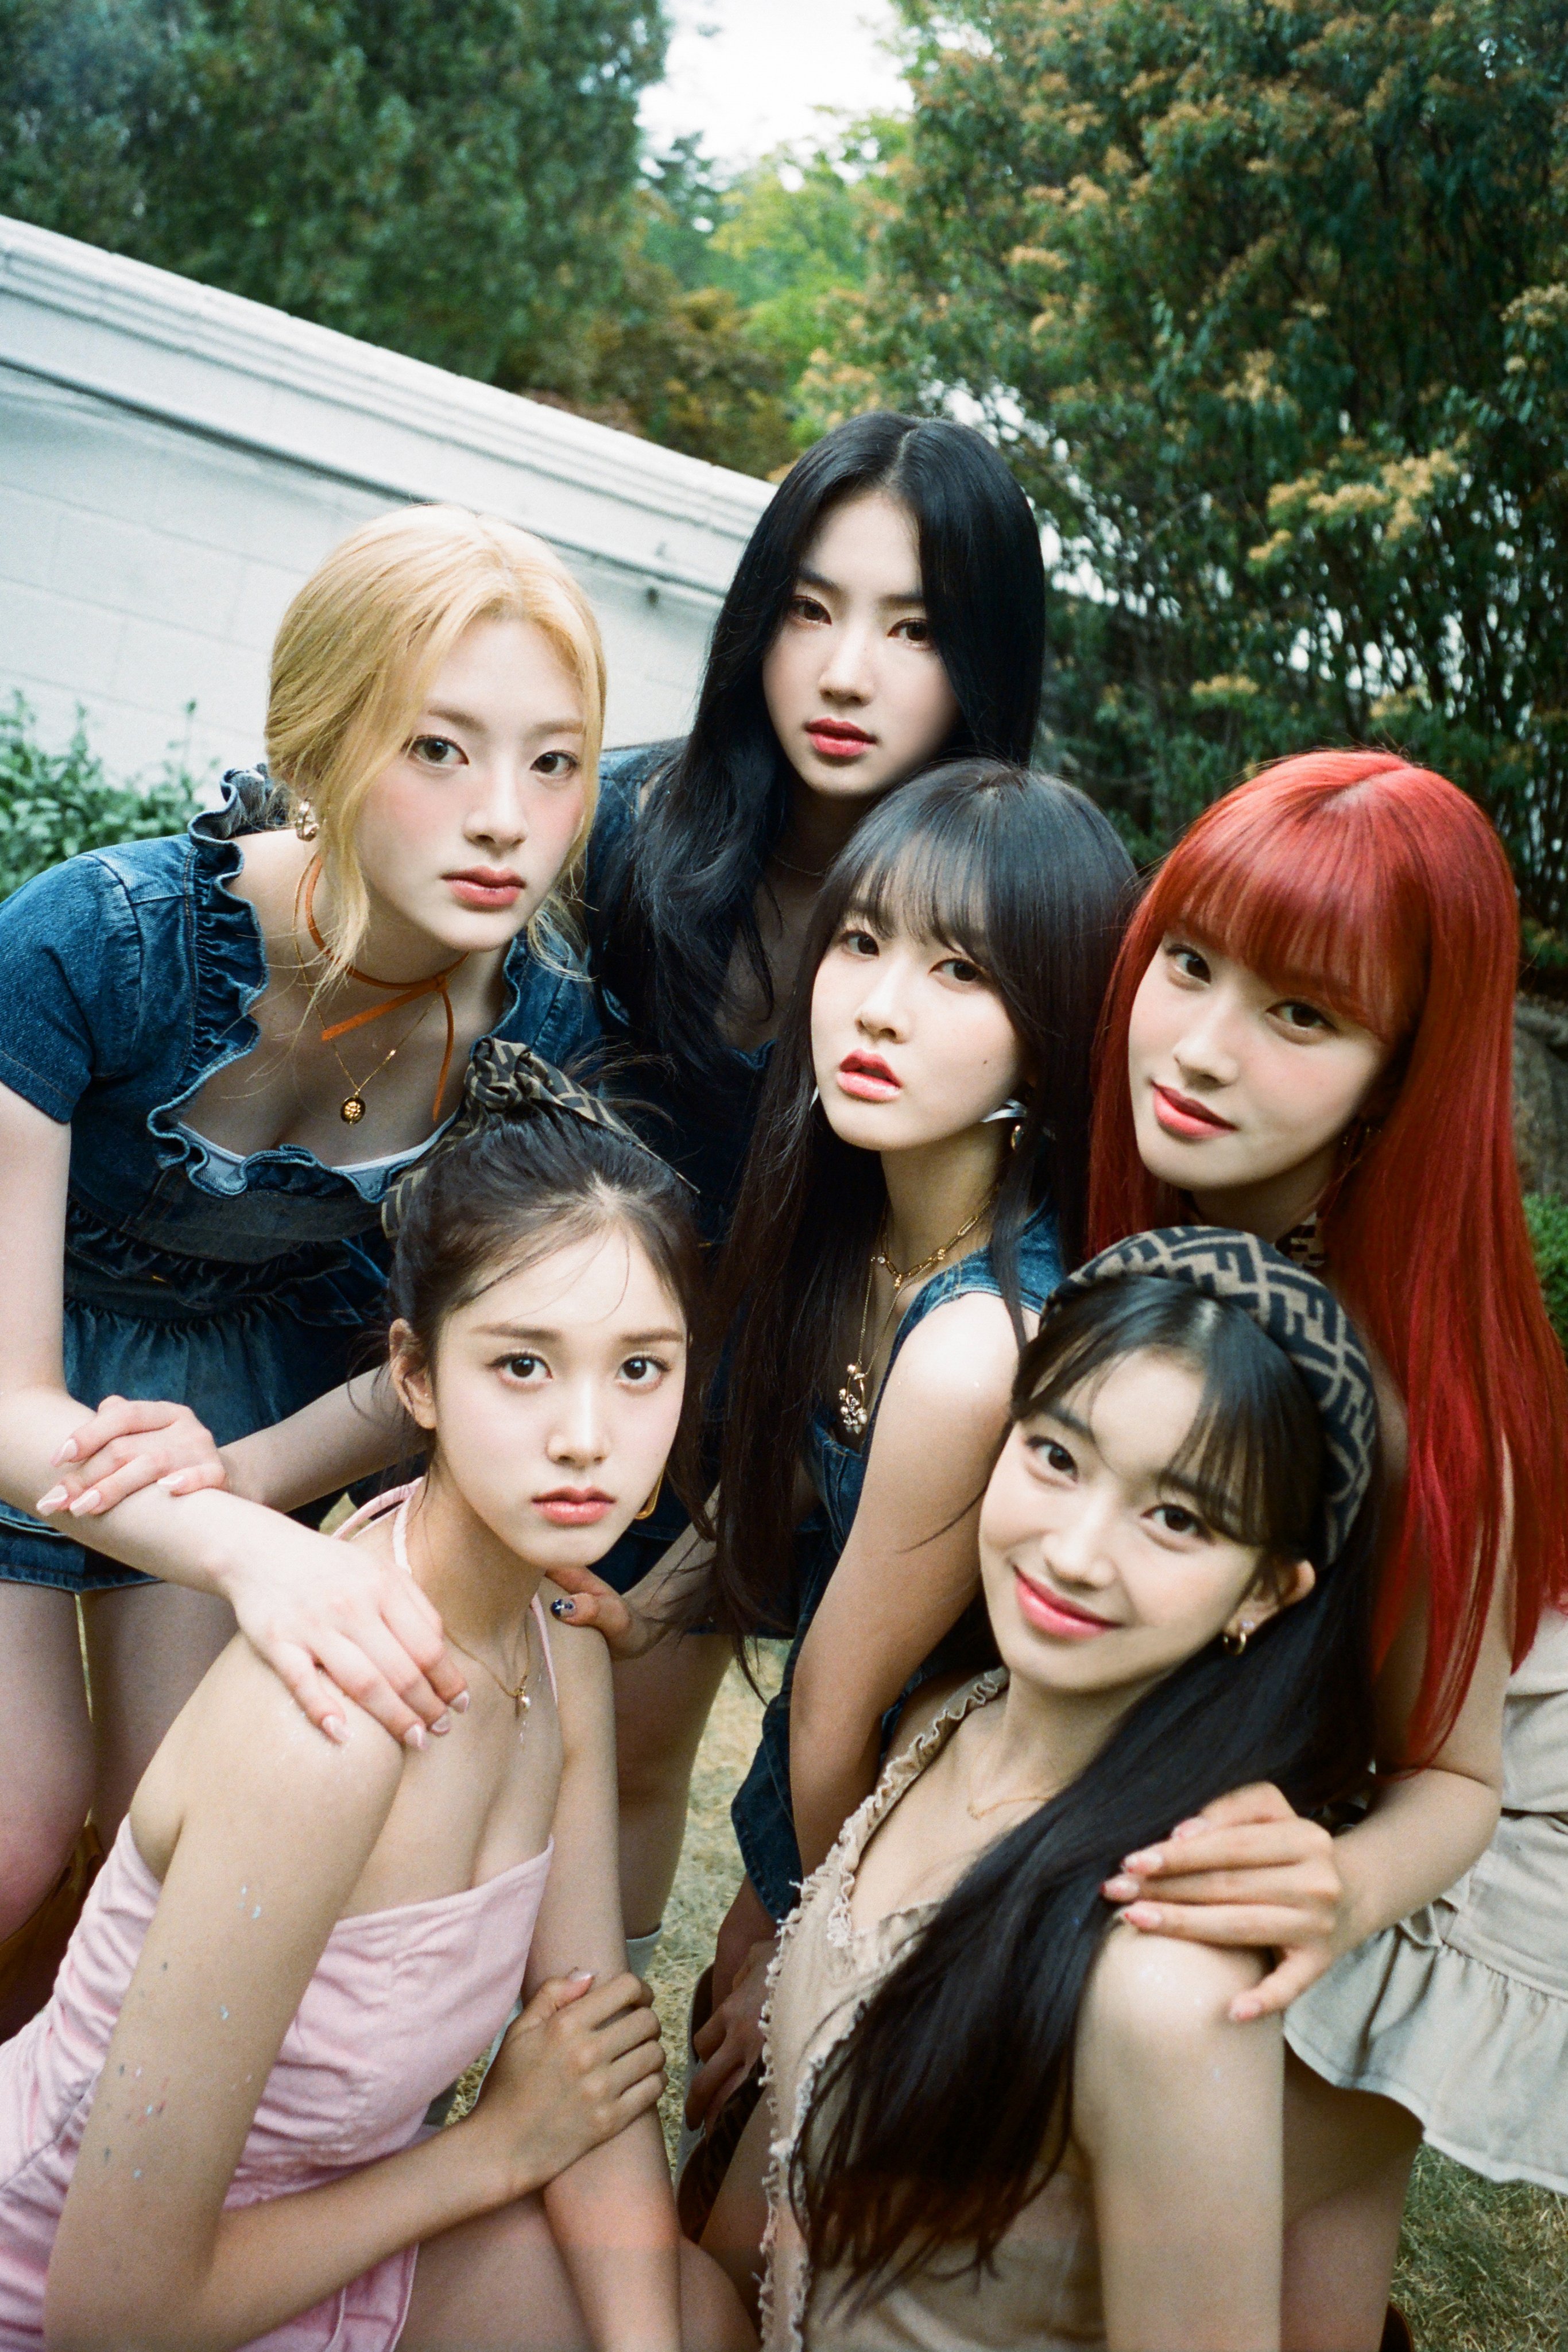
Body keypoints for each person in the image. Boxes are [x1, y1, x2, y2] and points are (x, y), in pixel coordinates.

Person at [0, 1069, 752, 2352]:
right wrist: (489, 2151)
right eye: (522, 1364)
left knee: (689, 2315)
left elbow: (592, 2068)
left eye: (641, 1367)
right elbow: (110, 2316)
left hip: (332, 2225)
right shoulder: (329, 1731)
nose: (587, 1435)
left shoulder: (555, 1638)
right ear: (417, 1376)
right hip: (90, 2286)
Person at [0, 504, 606, 2036]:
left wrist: (249, 1483)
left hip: (245, 1410)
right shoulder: (95, 943)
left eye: (553, 762)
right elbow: (9, 1396)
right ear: (318, 746)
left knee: (165, 1855)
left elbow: (454, 1356)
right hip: (25, 1376)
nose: (504, 819)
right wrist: (254, 1553)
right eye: (438, 749)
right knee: (16, 1827)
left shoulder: (540, 1031)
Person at [554, 761, 1133, 2164]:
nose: (877, 1005)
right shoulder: (861, 1219)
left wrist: (808, 1944)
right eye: (861, 941)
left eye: (959, 972)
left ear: (1053, 1032)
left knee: (745, 2222)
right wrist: (646, 1606)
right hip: (839, 1806)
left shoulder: (980, 1343)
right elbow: (806, 1470)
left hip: (931, 1877)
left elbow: (833, 1702)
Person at [1078, 752, 1568, 2350]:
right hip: (1315, 1752)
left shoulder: (1423, 1399)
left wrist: (1341, 1883)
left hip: (1470, 1829)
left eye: (1300, 1014)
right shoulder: (1170, 1217)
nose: (1200, 1047)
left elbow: (1458, 1777)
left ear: (1398, 1075)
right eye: (1188, 963)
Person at [583, 409, 1050, 1960]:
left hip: (805, 1422)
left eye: (912, 629)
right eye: (810, 608)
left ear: (981, 658)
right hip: (574, 1353)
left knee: (632, 1762)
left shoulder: (1018, 910)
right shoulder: (629, 835)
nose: (846, 673)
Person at [747, 1231, 1383, 2350]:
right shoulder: (941, 1723)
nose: (1078, 1552)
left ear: (1265, 1594)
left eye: (1177, 1518)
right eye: (1056, 1455)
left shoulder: (1164, 1977)